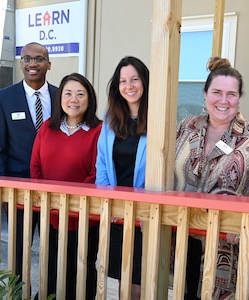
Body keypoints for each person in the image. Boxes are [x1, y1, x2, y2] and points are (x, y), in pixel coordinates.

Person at [175, 57, 249, 299]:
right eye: (216, 92)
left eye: (231, 94)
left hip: (234, 248)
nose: (223, 101)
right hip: (186, 239)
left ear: (239, 98)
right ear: (205, 95)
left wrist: (248, 219)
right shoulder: (185, 128)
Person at [0, 42, 57, 283]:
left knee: (55, 252)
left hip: (56, 191)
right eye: (27, 59)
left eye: (39, 59)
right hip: (18, 194)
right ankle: (16, 293)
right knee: (18, 253)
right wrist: (4, 194)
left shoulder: (62, 97)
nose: (32, 64)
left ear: (49, 64)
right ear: (21, 64)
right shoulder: (3, 99)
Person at [30, 73, 102, 299]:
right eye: (68, 93)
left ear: (89, 99)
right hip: (50, 213)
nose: (74, 99)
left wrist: (71, 201)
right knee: (52, 266)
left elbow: (97, 172)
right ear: (60, 97)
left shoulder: (98, 131)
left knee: (81, 268)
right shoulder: (47, 129)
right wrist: (48, 200)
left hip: (84, 215)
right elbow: (35, 167)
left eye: (81, 94)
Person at [95, 56, 148, 300]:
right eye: (123, 81)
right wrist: (109, 199)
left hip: (145, 213)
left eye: (135, 79)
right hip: (117, 212)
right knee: (119, 275)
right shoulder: (110, 120)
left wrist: (140, 206)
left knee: (138, 277)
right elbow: (102, 164)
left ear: (144, 81)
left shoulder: (157, 119)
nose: (129, 86)